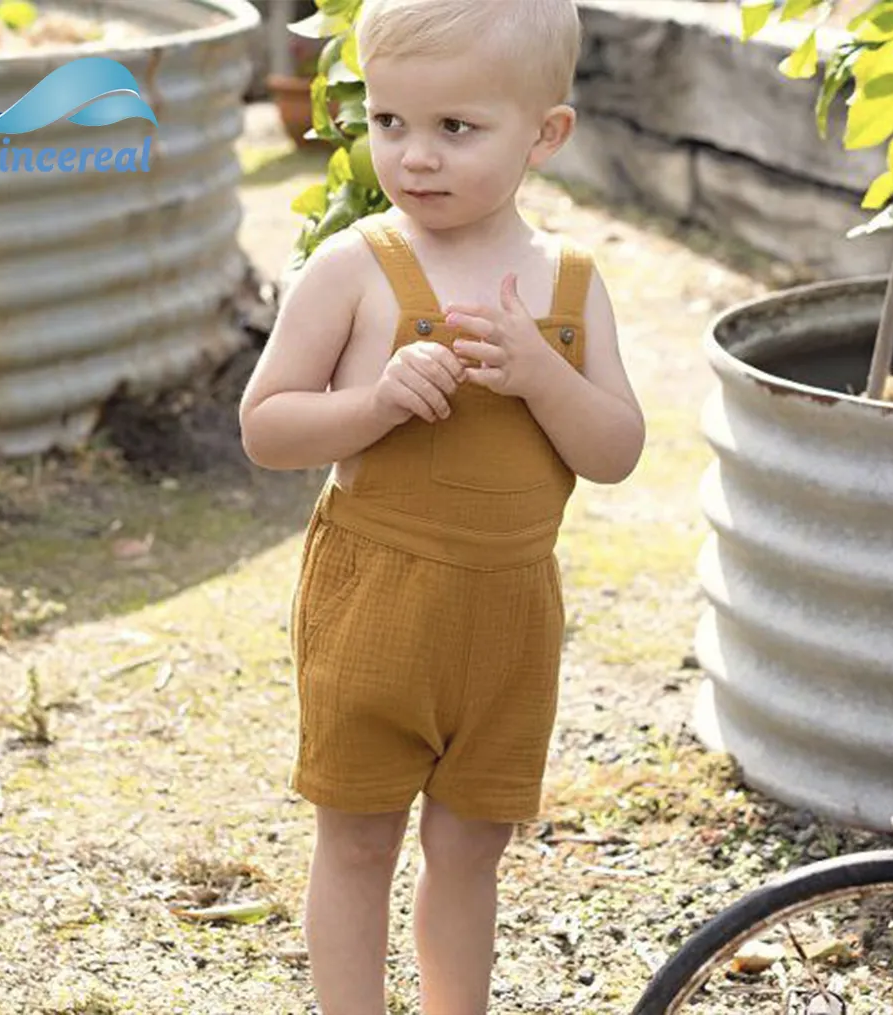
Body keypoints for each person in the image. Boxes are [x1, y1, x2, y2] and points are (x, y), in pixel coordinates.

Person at [239, 1, 645, 1011]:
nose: (413, 157)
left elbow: (616, 452)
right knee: (360, 834)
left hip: (508, 617)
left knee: (470, 845)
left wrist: (541, 378)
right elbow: (266, 426)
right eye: (388, 123)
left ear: (544, 135)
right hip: (378, 596)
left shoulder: (570, 284)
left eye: (454, 128)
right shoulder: (354, 267)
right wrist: (373, 402)